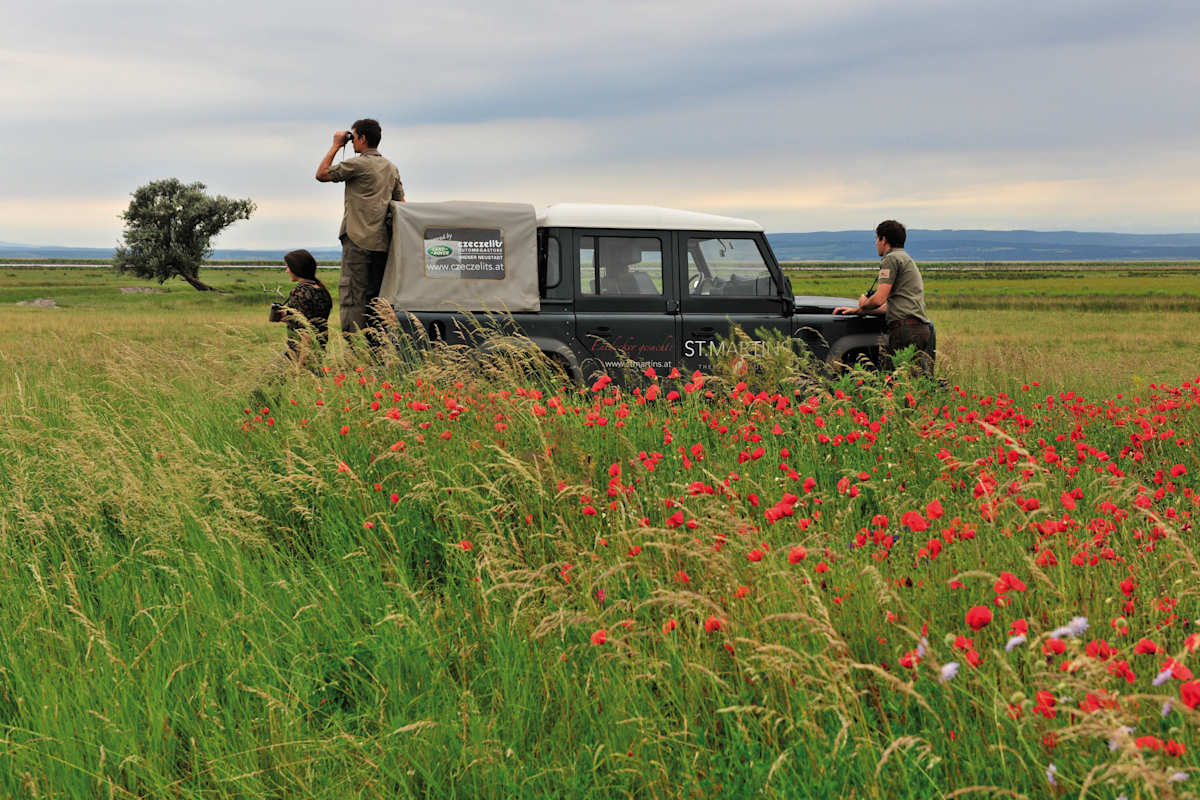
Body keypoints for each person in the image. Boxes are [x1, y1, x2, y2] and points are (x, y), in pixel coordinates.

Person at [316, 118, 405, 343]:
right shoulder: (391, 167)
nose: (352, 142)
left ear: (363, 138)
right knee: (377, 298)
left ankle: (355, 349)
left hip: (357, 240)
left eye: (353, 137)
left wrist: (336, 145)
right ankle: (377, 345)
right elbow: (401, 204)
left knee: (353, 296)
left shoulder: (358, 164)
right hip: (382, 244)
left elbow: (322, 174)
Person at [833, 220, 934, 375]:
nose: (876, 244)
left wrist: (864, 302)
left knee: (893, 382)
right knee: (912, 382)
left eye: (876, 238)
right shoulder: (906, 259)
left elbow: (879, 299)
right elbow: (890, 307)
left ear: (884, 240)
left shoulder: (891, 259)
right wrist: (857, 311)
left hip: (904, 331)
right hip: (919, 329)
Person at [272, 249, 333, 364]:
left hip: (299, 353)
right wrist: (287, 316)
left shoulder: (300, 291)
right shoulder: (321, 289)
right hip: (319, 351)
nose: (286, 271)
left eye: (288, 267)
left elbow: (306, 333)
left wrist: (299, 368)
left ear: (296, 268)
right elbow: (310, 319)